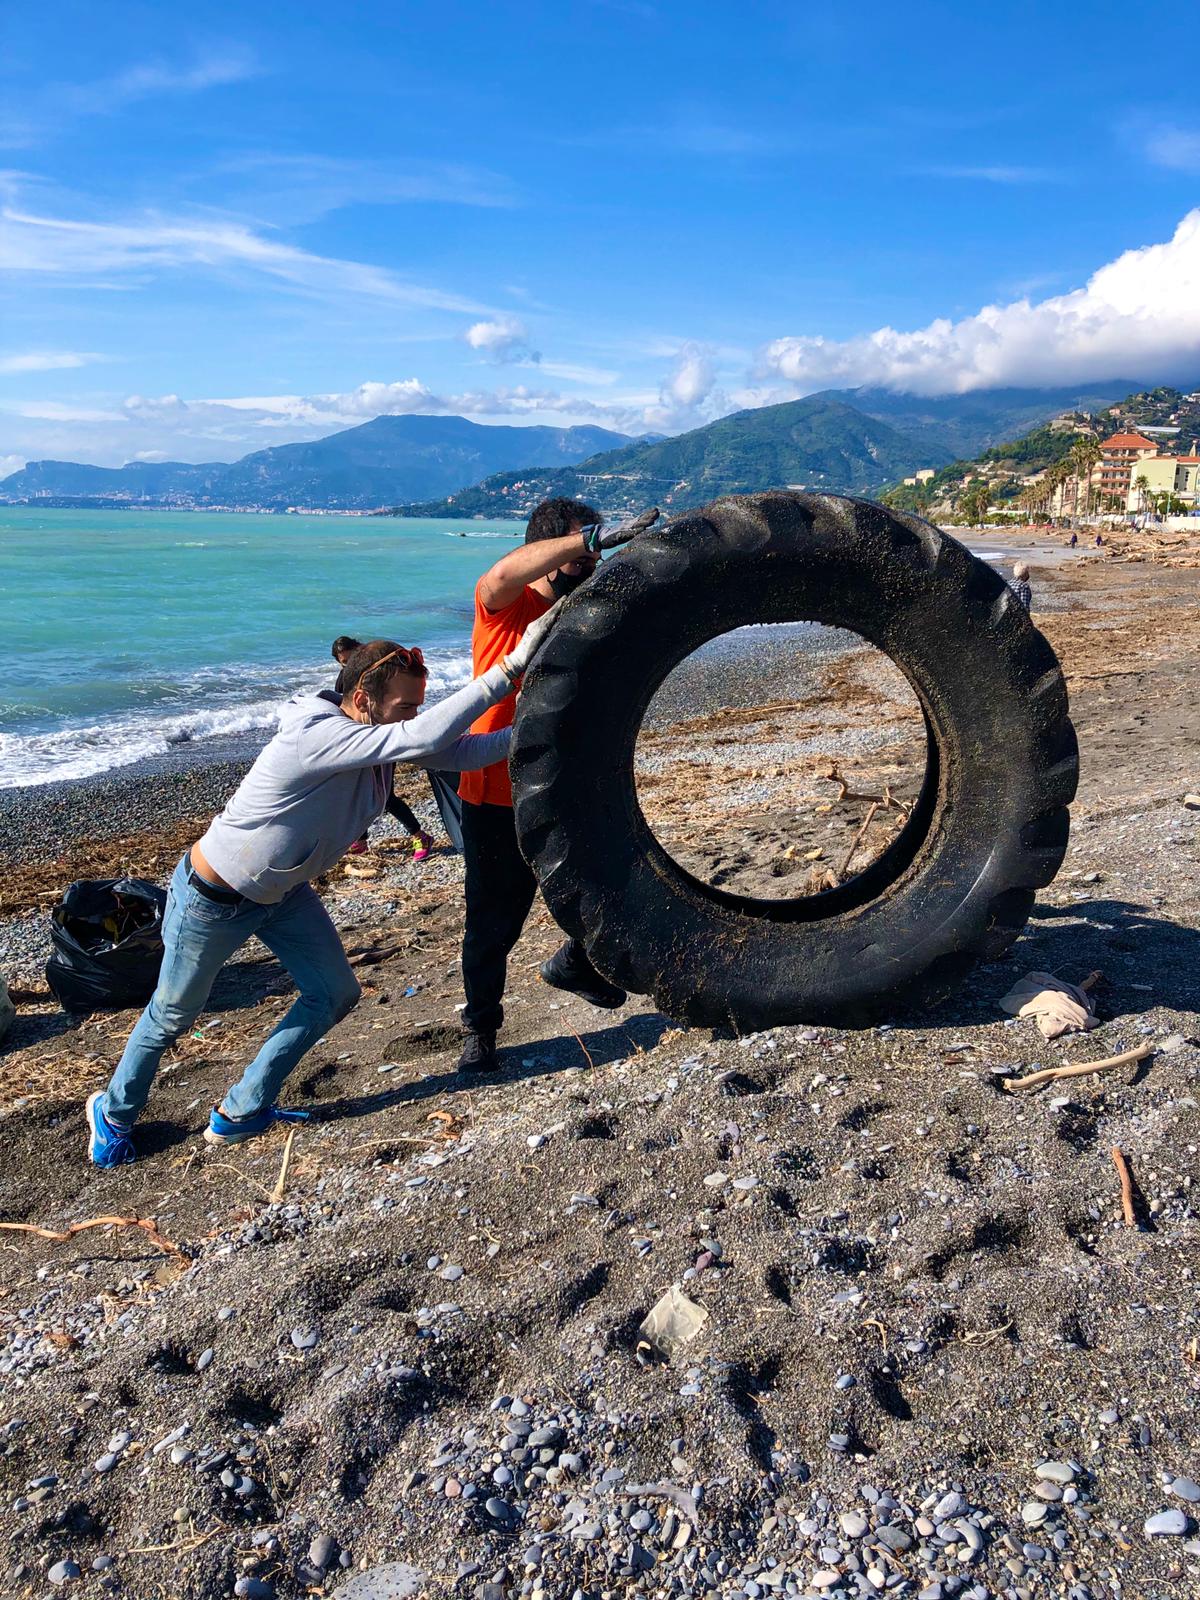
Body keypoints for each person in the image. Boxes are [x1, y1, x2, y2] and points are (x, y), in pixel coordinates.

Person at [85, 619, 558, 1168]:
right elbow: (426, 735)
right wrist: (511, 666)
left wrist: (543, 723)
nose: (413, 715)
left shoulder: (374, 737)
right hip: (214, 897)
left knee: (333, 993)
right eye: (406, 705)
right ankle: (114, 1112)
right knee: (173, 1015)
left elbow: (461, 751)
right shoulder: (314, 734)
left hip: (283, 895)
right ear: (362, 698)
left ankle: (243, 1109)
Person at [455, 497, 658, 1074]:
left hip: (567, 781)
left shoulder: (586, 610)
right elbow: (498, 574)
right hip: (495, 790)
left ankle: (578, 964)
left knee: (606, 881)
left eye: (594, 548)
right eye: (578, 549)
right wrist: (592, 538)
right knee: (494, 918)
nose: (589, 561)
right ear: (548, 549)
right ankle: (480, 1029)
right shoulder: (507, 607)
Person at [332, 636, 435, 859]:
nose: (347, 665)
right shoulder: (345, 680)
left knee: (385, 795)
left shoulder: (380, 672)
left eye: (350, 659)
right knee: (360, 789)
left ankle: (419, 834)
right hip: (360, 739)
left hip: (384, 736)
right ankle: (360, 840)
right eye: (343, 662)